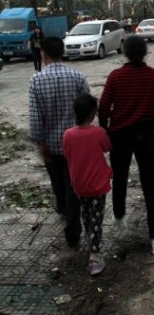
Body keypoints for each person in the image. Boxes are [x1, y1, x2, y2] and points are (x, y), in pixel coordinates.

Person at [98, 36, 154, 255]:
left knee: (119, 178)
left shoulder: (116, 76)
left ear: (124, 52)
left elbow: (104, 106)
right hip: (145, 134)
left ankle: (119, 220)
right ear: (145, 53)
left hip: (119, 135)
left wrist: (105, 128)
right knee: (150, 184)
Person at [28, 37, 90, 247]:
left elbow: (36, 116)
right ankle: (72, 227)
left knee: (58, 184)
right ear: (62, 52)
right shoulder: (77, 76)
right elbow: (88, 108)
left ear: (43, 54)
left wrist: (39, 142)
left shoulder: (36, 80)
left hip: (51, 146)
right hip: (76, 145)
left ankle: (65, 214)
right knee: (72, 185)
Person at [63, 94, 112, 276]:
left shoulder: (68, 135)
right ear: (93, 113)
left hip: (80, 185)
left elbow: (67, 155)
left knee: (86, 214)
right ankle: (95, 256)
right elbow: (107, 147)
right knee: (97, 218)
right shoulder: (98, 133)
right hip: (97, 184)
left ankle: (89, 239)